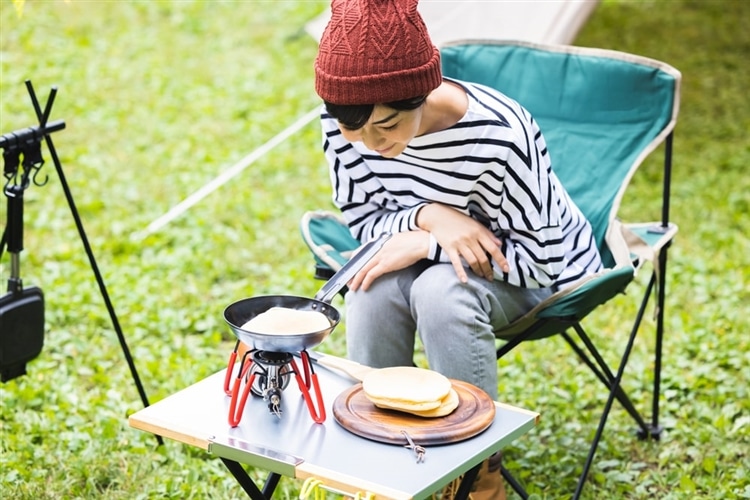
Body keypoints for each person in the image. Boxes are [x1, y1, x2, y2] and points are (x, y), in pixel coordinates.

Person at [313, 0, 603, 497]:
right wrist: (429, 218)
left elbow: (545, 258)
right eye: (352, 130)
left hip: (537, 273)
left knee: (443, 292)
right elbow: (366, 221)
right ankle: (378, 451)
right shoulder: (344, 124)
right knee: (370, 286)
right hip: (429, 254)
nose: (368, 144)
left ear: (421, 94)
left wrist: (428, 244)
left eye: (386, 127)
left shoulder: (498, 135)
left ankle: (473, 473)